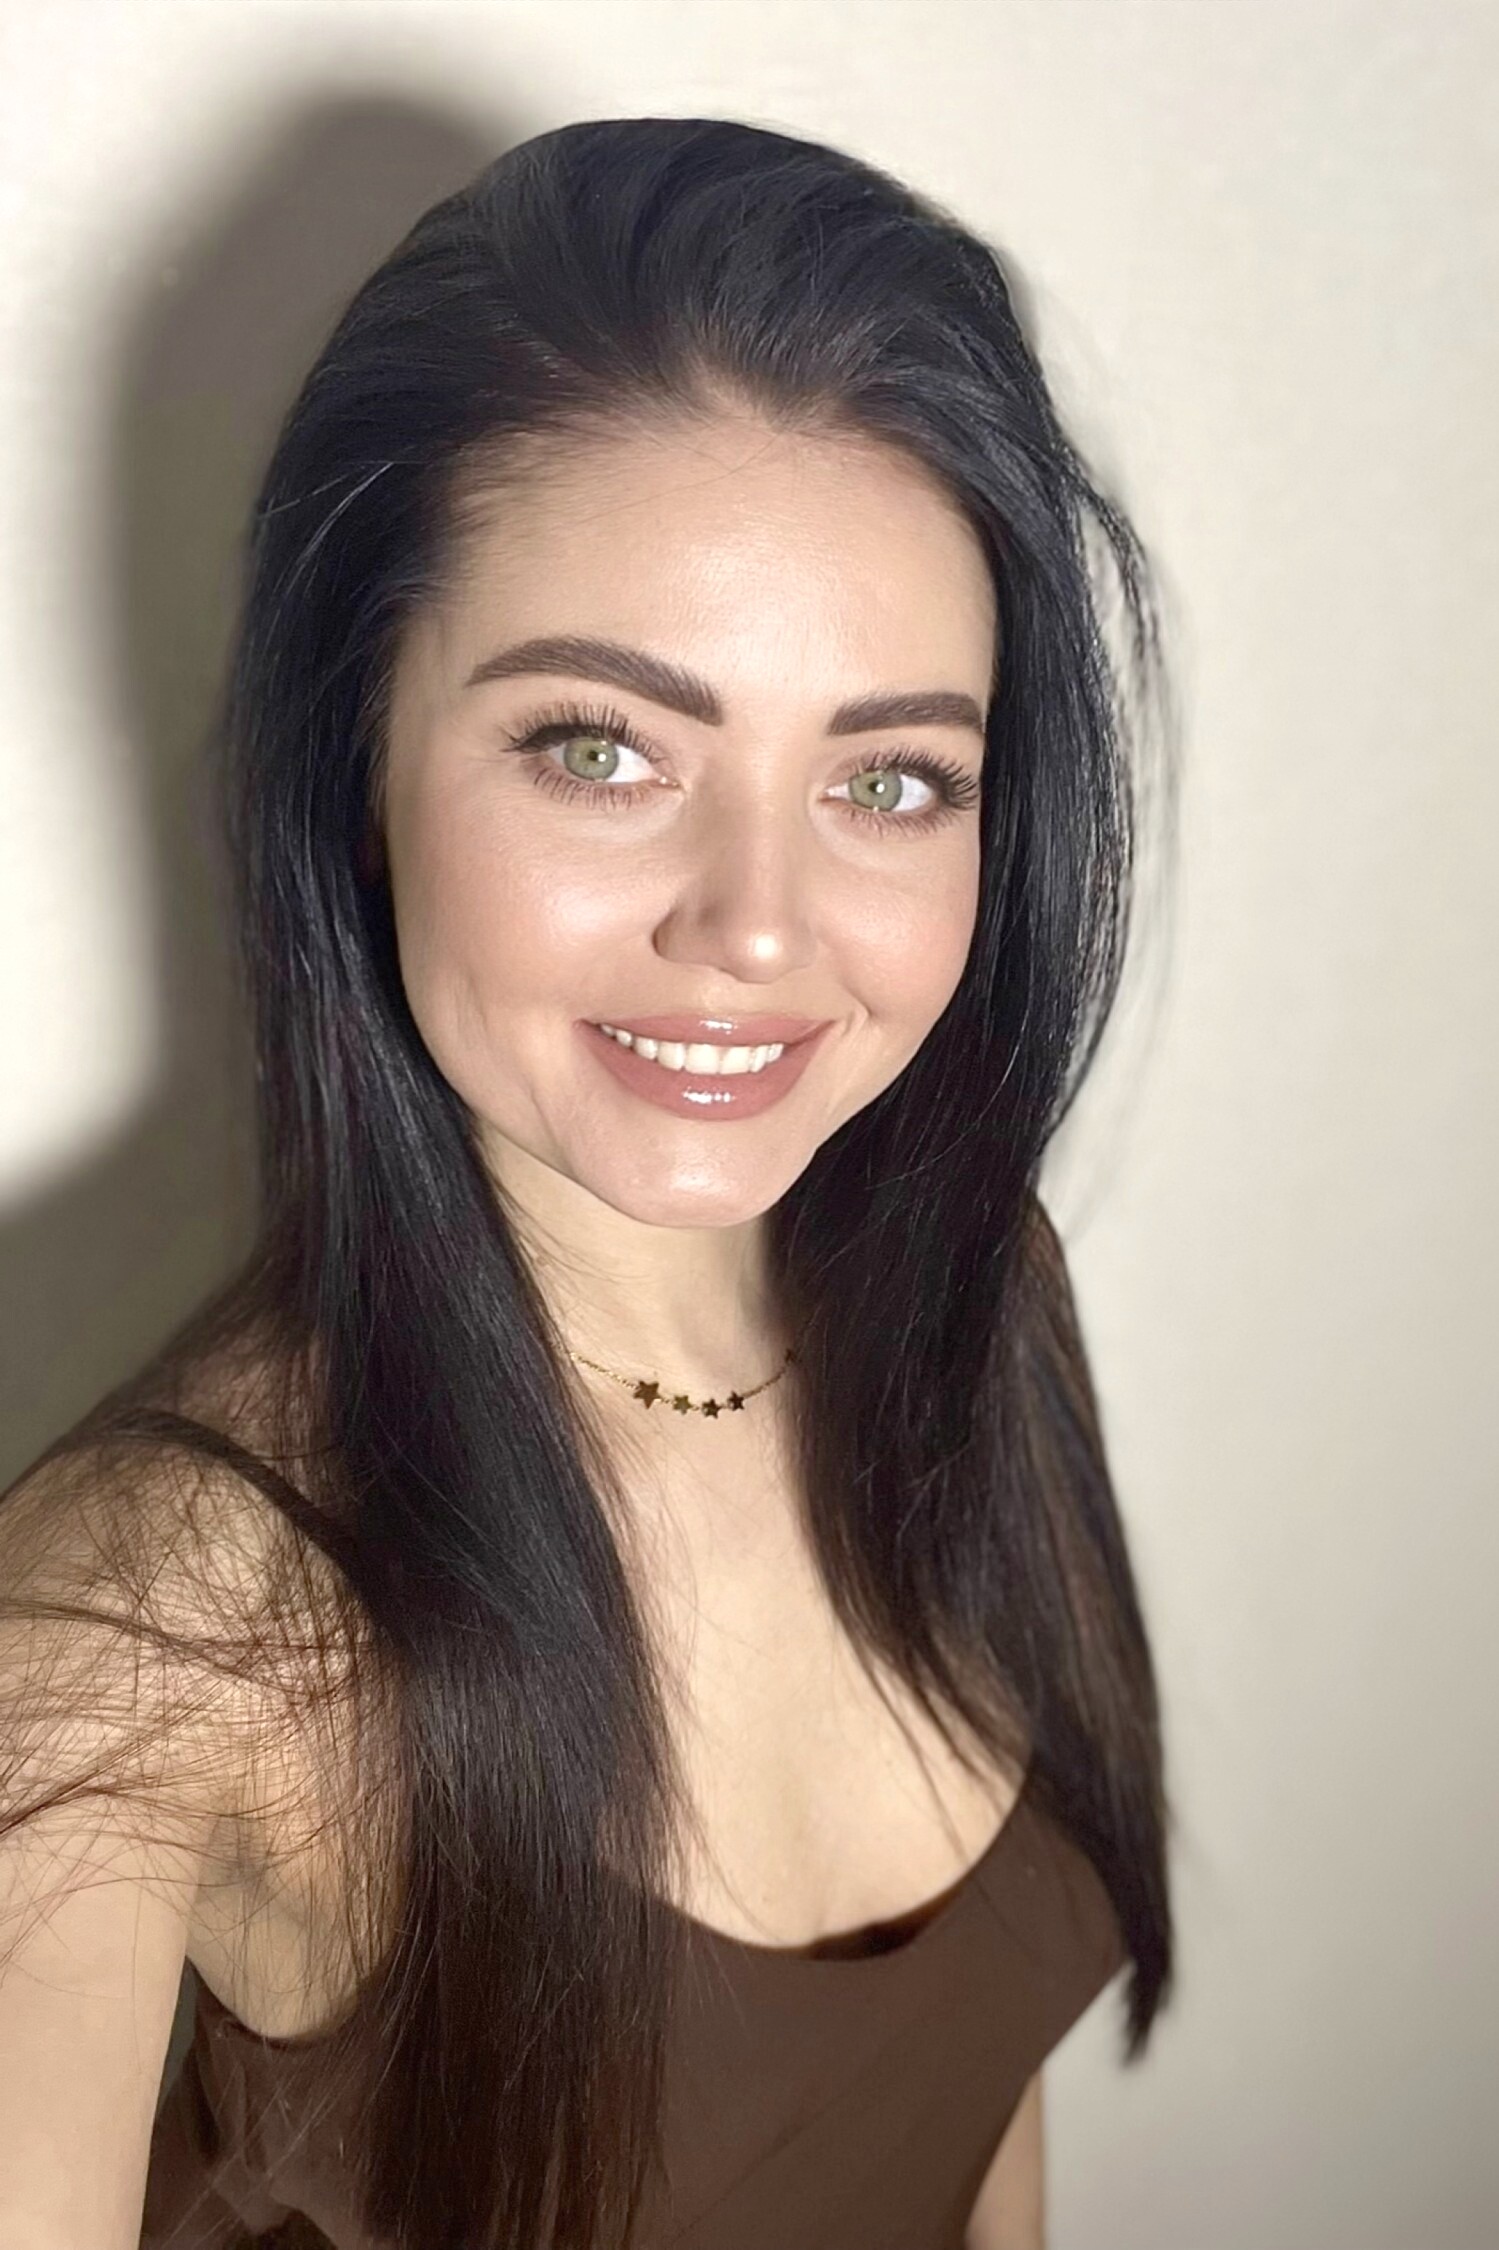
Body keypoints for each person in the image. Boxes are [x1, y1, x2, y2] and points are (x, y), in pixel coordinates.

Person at [0, 114, 1175, 2250]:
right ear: (358, 757)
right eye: (601, 748)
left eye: (891, 779)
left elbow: (970, 2126)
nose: (757, 925)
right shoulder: (139, 1630)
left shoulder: (979, 1298)